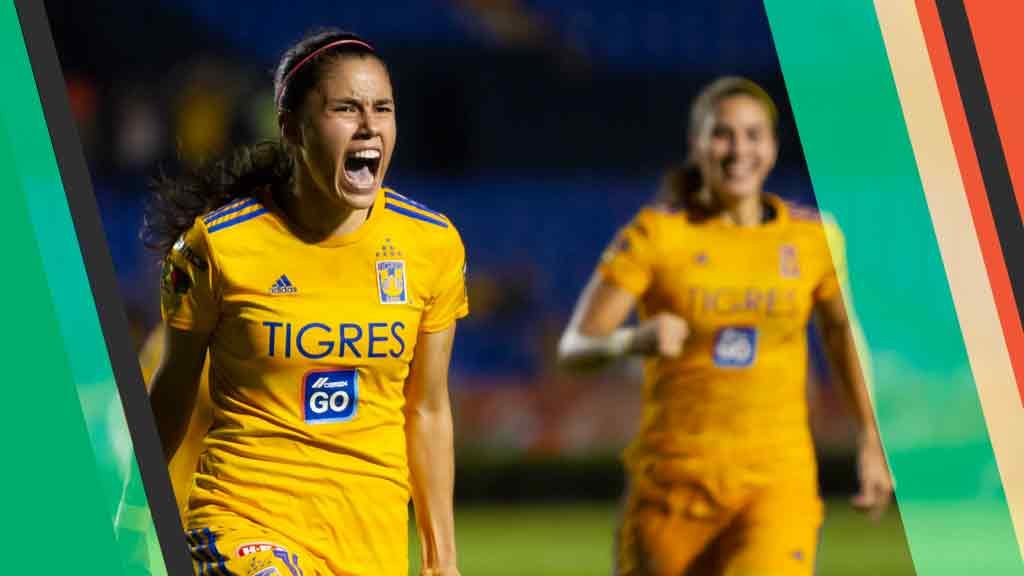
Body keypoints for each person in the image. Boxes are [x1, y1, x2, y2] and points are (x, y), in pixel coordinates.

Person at [144, 30, 467, 576]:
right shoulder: (217, 246)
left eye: (382, 108)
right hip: (243, 523)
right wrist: (131, 513)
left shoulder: (431, 245)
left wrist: (442, 560)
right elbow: (170, 397)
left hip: (370, 546)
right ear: (292, 126)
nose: (369, 125)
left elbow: (427, 409)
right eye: (346, 108)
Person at [558, 76, 892, 576]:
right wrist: (634, 339)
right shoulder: (656, 235)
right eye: (722, 134)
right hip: (672, 489)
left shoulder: (813, 238)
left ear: (773, 147)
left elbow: (842, 334)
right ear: (697, 145)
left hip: (777, 484)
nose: (739, 150)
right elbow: (574, 348)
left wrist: (871, 439)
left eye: (753, 135)